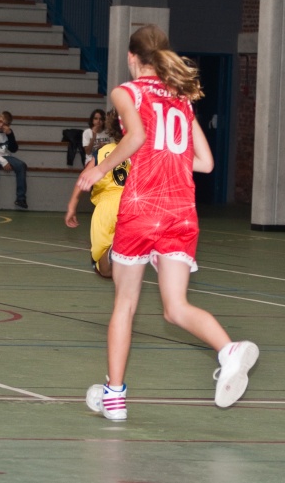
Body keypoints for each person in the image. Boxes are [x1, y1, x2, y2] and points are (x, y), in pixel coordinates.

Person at [76, 24, 259, 421]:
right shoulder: (181, 98)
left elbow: (137, 137)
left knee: (124, 305)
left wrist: (99, 168)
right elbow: (206, 163)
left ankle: (114, 396)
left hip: (142, 209)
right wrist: (169, 160)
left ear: (131, 57)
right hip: (180, 209)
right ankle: (228, 351)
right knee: (176, 308)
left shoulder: (125, 93)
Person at [65, 109, 129, 278]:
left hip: (107, 207)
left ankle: (113, 251)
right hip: (131, 206)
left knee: (102, 269)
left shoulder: (102, 152)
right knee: (129, 260)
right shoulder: (140, 151)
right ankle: (121, 247)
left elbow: (83, 177)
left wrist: (72, 206)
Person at [0, 111, 27, 209]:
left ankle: (21, 198)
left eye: (5, 124)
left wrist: (10, 134)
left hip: (7, 156)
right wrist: (3, 162)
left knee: (21, 165)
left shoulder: (8, 132)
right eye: (0, 121)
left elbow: (14, 149)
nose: (1, 125)